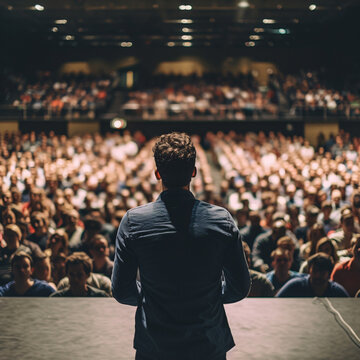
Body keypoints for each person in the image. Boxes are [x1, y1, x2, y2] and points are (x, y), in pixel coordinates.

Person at [112, 132, 250, 360]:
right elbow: (239, 287)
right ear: (193, 172)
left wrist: (151, 297)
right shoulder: (221, 220)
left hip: (155, 346)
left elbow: (122, 290)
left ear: (157, 174)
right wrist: (210, 296)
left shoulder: (133, 222)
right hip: (208, 344)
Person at [276, 253, 349, 297]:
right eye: (315, 271)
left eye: (322, 272)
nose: (318, 275)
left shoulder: (337, 292)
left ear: (329, 273)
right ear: (309, 271)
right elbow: (276, 303)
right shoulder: (294, 286)